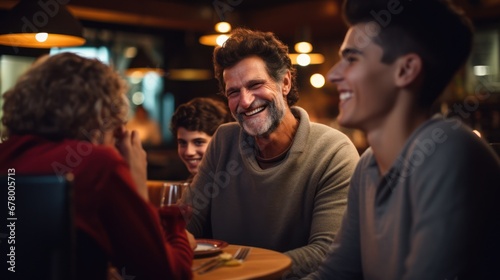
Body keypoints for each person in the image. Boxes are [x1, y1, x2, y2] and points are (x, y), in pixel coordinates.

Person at [305, 0, 500, 279]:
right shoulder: (367, 165)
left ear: (406, 70)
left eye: (351, 58)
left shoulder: (449, 151)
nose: (332, 74)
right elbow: (337, 273)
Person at [0, 52, 194, 280]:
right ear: (101, 119)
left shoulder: (6, 156)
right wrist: (170, 223)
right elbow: (167, 274)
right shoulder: (97, 165)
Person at [185, 28, 360, 278]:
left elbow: (325, 253)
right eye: (233, 92)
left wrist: (241, 273)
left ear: (285, 82)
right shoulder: (223, 141)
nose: (245, 102)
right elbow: (185, 224)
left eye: (255, 85)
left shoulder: (333, 151)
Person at [170, 97, 233, 181]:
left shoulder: (234, 184)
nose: (189, 152)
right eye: (182, 143)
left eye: (198, 142)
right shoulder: (191, 185)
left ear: (221, 143)